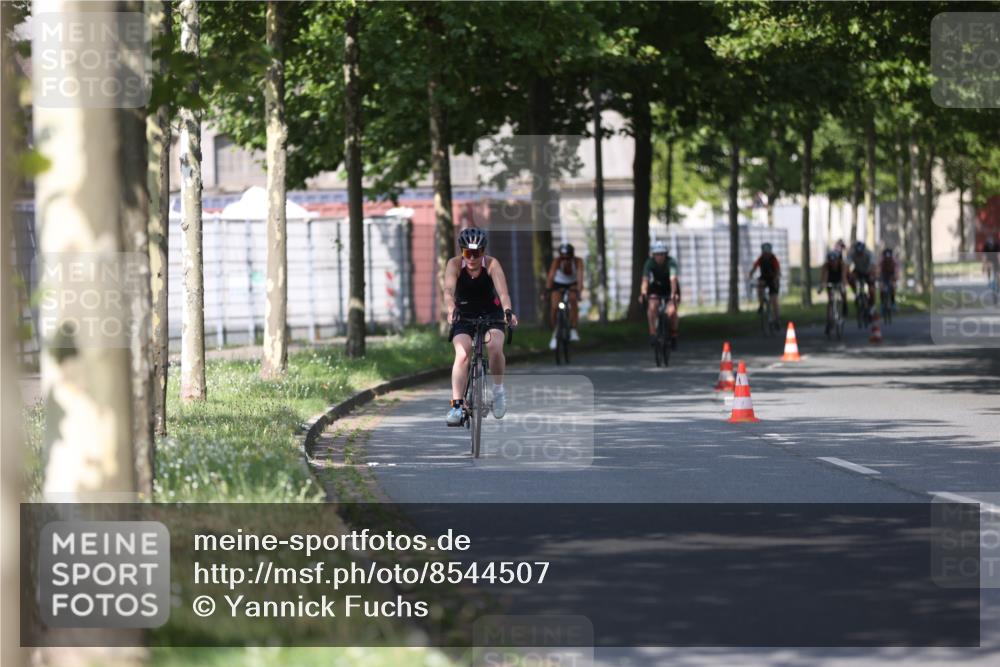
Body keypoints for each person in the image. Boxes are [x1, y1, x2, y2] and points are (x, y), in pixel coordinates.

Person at [443, 228, 518, 426]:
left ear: (483, 252)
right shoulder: (454, 264)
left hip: (490, 312)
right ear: (462, 251)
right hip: (464, 313)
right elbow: (449, 291)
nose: (472, 258)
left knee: (494, 347)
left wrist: (508, 311)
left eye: (477, 253)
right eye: (468, 253)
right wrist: (451, 309)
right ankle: (457, 405)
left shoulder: (492, 264)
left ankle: (498, 391)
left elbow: (503, 294)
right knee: (462, 354)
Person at [638, 240, 680, 349]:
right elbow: (645, 280)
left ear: (665, 254)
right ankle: (653, 332)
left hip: (670, 287)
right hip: (656, 287)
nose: (659, 257)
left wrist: (673, 294)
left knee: (672, 311)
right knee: (652, 306)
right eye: (657, 254)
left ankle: (673, 334)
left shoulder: (671, 262)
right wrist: (643, 293)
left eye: (662, 254)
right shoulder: (649, 262)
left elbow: (673, 279)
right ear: (653, 255)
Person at [545, 242, 584, 350]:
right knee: (554, 306)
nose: (566, 260)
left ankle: (573, 329)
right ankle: (555, 333)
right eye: (563, 258)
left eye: (568, 258)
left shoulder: (578, 262)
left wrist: (579, 291)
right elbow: (551, 276)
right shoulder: (557, 262)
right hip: (558, 284)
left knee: (572, 299)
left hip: (572, 284)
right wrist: (547, 290)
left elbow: (580, 277)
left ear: (572, 256)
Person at [749, 242, 781, 324]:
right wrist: (750, 276)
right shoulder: (760, 259)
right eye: (764, 252)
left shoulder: (774, 259)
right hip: (764, 278)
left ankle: (776, 319)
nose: (766, 254)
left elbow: (778, 271)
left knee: (774, 299)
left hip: (773, 278)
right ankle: (761, 304)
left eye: (767, 252)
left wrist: (776, 280)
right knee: (759, 285)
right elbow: (754, 268)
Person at [818, 249, 848, 326]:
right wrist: (821, 287)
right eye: (831, 261)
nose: (833, 263)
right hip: (830, 280)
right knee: (830, 300)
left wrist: (844, 285)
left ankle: (844, 305)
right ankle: (829, 319)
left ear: (838, 260)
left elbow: (844, 277)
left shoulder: (842, 265)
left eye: (834, 260)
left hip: (839, 279)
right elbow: (823, 277)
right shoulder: (826, 266)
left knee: (843, 292)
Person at [848, 241, 876, 316]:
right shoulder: (852, 253)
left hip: (868, 271)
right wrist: (850, 274)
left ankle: (872, 305)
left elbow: (873, 266)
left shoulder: (869, 253)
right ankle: (856, 293)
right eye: (858, 253)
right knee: (850, 278)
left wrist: (872, 275)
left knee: (872, 290)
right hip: (858, 271)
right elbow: (847, 265)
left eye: (861, 253)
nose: (859, 255)